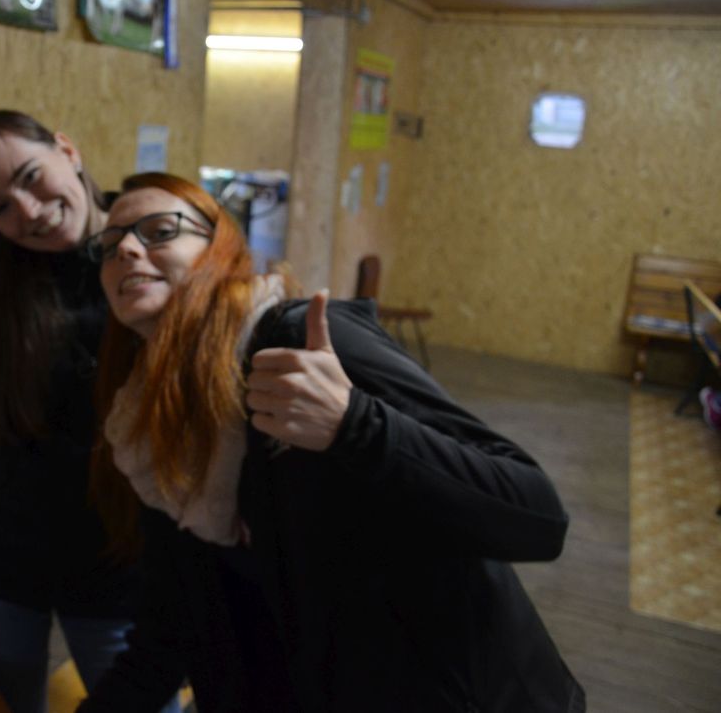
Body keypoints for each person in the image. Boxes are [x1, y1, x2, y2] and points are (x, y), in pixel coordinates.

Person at [79, 172, 585, 712]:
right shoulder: (148, 432)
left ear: (219, 248)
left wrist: (356, 424)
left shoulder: (301, 344)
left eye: (160, 231)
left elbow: (534, 515)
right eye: (110, 245)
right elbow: (170, 628)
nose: (126, 250)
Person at [0, 111, 174, 713]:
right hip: (0, 568)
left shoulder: (154, 254)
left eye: (30, 177)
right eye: (0, 208)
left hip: (121, 573)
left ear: (67, 149)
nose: (28, 211)